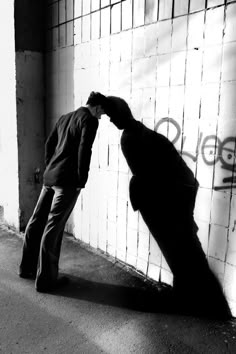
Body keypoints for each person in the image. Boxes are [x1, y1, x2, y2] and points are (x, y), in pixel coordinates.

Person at [104, 95, 231, 317]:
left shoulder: (129, 138)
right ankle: (201, 301)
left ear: (120, 115)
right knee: (186, 251)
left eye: (112, 117)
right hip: (183, 190)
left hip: (171, 197)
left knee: (180, 251)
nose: (111, 121)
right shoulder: (145, 132)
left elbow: (145, 176)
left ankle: (200, 303)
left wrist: (157, 207)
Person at [19, 91, 107, 293]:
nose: (101, 116)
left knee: (36, 221)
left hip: (50, 178)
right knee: (53, 227)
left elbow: (49, 144)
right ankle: (46, 281)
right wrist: (80, 180)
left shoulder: (65, 117)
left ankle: (26, 268)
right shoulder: (90, 120)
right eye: (102, 112)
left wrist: (50, 165)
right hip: (66, 182)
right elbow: (85, 149)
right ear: (97, 107)